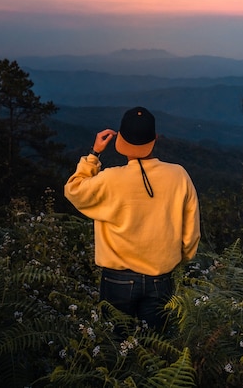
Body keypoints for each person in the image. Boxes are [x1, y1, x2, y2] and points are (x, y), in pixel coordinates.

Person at [64, 106, 200, 330]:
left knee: (114, 346)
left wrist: (94, 155)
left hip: (117, 279)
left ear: (120, 139)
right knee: (156, 348)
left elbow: (73, 190)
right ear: (155, 138)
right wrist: (179, 258)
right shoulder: (179, 175)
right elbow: (191, 232)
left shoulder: (111, 179)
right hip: (161, 278)